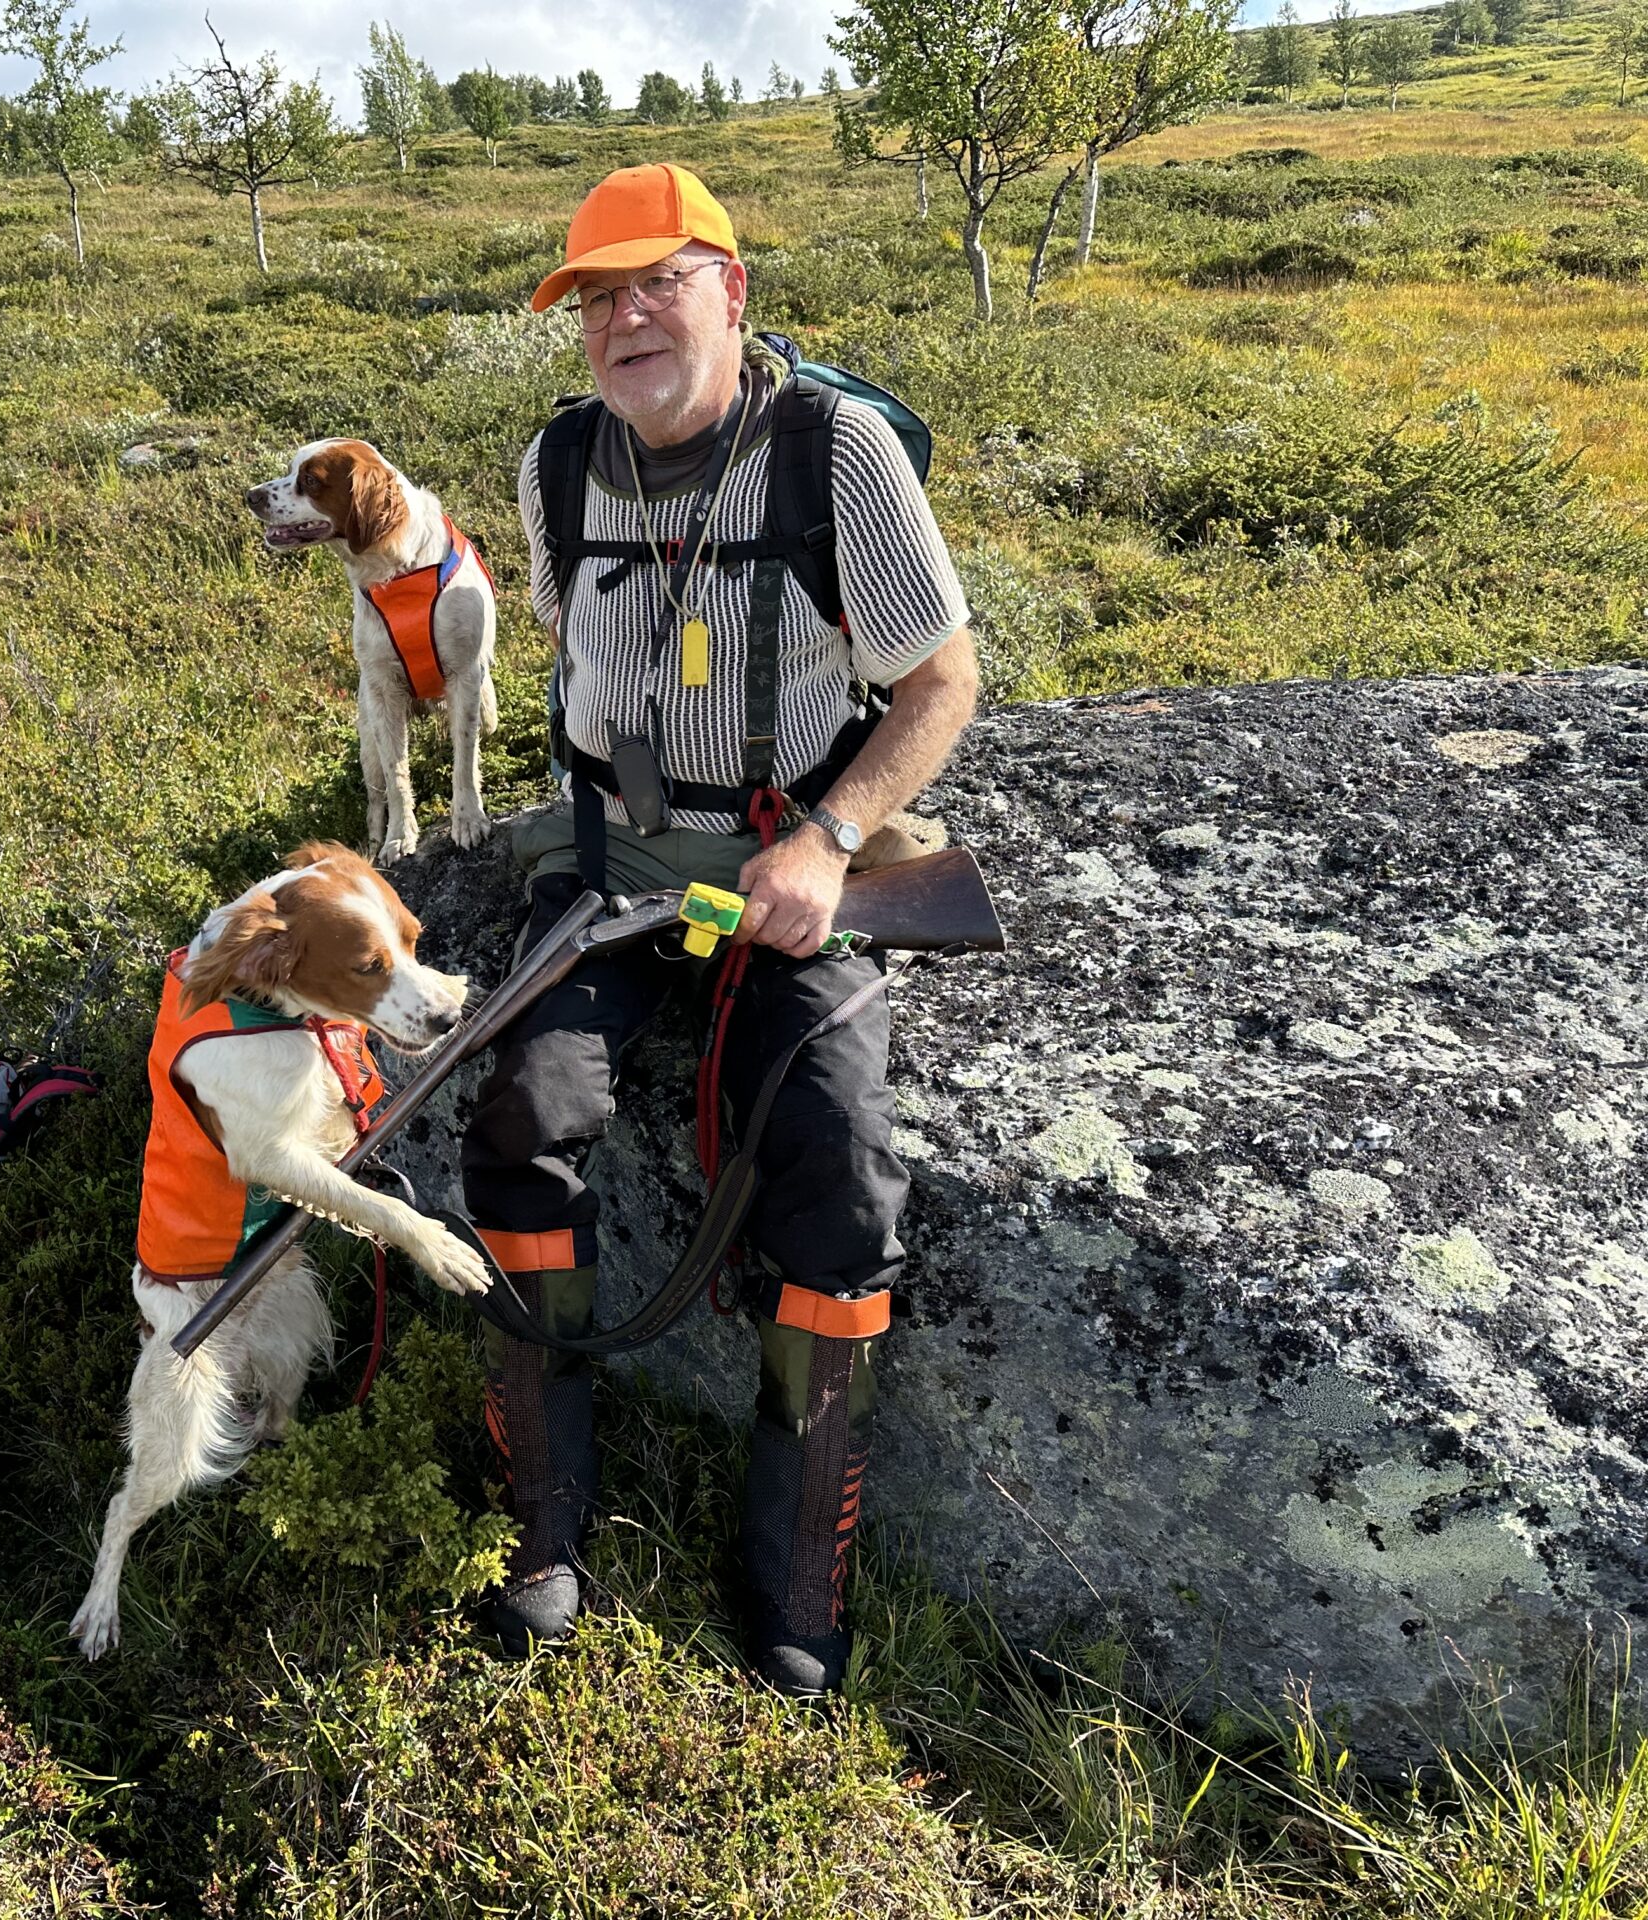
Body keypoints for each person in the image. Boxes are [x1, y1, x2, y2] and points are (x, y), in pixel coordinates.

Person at [460, 163, 978, 1697]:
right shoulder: (556, 465)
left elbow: (940, 682)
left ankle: (792, 1587)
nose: (626, 318)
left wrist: (826, 840)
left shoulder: (839, 453)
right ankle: (545, 1538)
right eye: (594, 297)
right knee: (516, 1117)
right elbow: (579, 657)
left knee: (840, 1152)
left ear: (732, 291)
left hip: (787, 862)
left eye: (658, 282)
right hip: (612, 866)